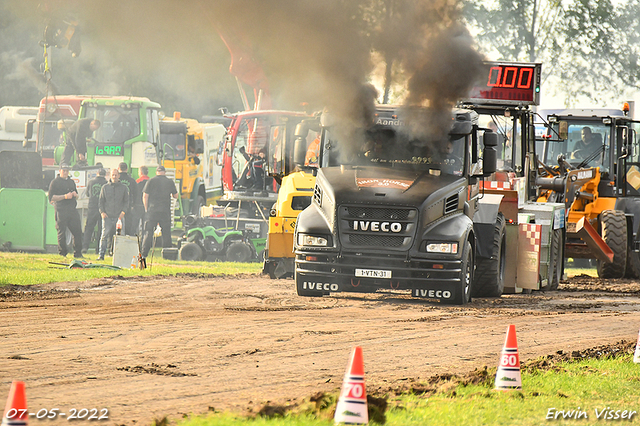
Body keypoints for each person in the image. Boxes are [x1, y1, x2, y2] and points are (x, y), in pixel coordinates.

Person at [141, 165, 178, 258]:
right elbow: (175, 195)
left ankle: (144, 253)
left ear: (156, 172)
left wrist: (146, 209)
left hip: (152, 211)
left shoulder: (151, 181)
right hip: (165, 211)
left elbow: (145, 196)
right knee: (166, 233)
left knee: (148, 233)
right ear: (164, 172)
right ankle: (167, 254)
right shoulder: (169, 181)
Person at [48, 163, 84, 258]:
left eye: (67, 171)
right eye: (63, 171)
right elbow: (51, 198)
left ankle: (78, 253)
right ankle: (62, 253)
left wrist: (75, 195)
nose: (65, 172)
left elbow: (76, 194)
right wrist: (65, 196)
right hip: (61, 210)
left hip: (72, 210)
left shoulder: (71, 182)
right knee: (61, 232)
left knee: (77, 231)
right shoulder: (54, 182)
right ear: (59, 171)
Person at [97, 168, 129, 261]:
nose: (114, 177)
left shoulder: (124, 188)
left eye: (116, 175)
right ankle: (101, 255)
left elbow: (126, 202)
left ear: (119, 176)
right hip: (107, 216)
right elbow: (101, 201)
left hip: (119, 217)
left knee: (120, 237)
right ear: (110, 176)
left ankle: (120, 256)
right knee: (104, 236)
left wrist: (123, 212)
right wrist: (102, 212)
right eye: (113, 175)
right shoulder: (105, 188)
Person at [82, 167, 108, 254]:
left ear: (97, 173)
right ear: (105, 175)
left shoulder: (91, 182)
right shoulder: (106, 183)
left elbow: (87, 194)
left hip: (92, 208)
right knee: (101, 229)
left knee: (89, 228)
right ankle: (98, 249)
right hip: (103, 209)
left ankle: (85, 247)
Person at [117, 162, 137, 236]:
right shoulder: (132, 181)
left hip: (117, 205)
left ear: (118, 169)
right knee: (128, 222)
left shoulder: (116, 179)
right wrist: (133, 204)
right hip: (128, 204)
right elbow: (136, 194)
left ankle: (117, 238)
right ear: (127, 169)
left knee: (116, 222)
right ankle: (127, 237)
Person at [134, 165, 150, 236]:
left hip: (138, 206)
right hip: (148, 206)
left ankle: (135, 238)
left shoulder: (137, 182)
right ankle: (144, 238)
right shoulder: (151, 181)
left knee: (135, 224)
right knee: (146, 225)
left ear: (140, 172)